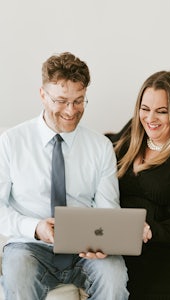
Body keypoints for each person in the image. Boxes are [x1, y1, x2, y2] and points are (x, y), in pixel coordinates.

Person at [0, 52, 129, 300]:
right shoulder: (10, 143)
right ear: (43, 95)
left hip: (86, 248)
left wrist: (105, 242)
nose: (71, 111)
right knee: (18, 272)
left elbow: (107, 210)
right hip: (29, 246)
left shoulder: (100, 147)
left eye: (79, 101)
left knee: (114, 274)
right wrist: (35, 228)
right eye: (61, 101)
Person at [106, 71, 170, 300]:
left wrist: (151, 231)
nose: (150, 119)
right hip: (125, 246)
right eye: (145, 108)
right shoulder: (135, 131)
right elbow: (105, 144)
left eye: (162, 111)